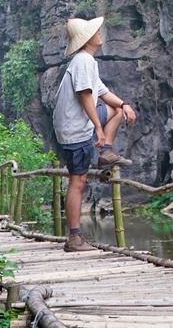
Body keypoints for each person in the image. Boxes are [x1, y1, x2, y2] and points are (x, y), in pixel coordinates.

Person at [53, 16, 136, 252]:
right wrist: (98, 128)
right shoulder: (82, 61)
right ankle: (74, 238)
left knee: (117, 109)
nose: (100, 33)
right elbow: (86, 95)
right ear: (86, 39)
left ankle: (106, 152)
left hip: (75, 125)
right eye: (95, 31)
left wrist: (125, 104)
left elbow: (102, 92)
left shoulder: (87, 61)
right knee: (77, 181)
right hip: (75, 128)